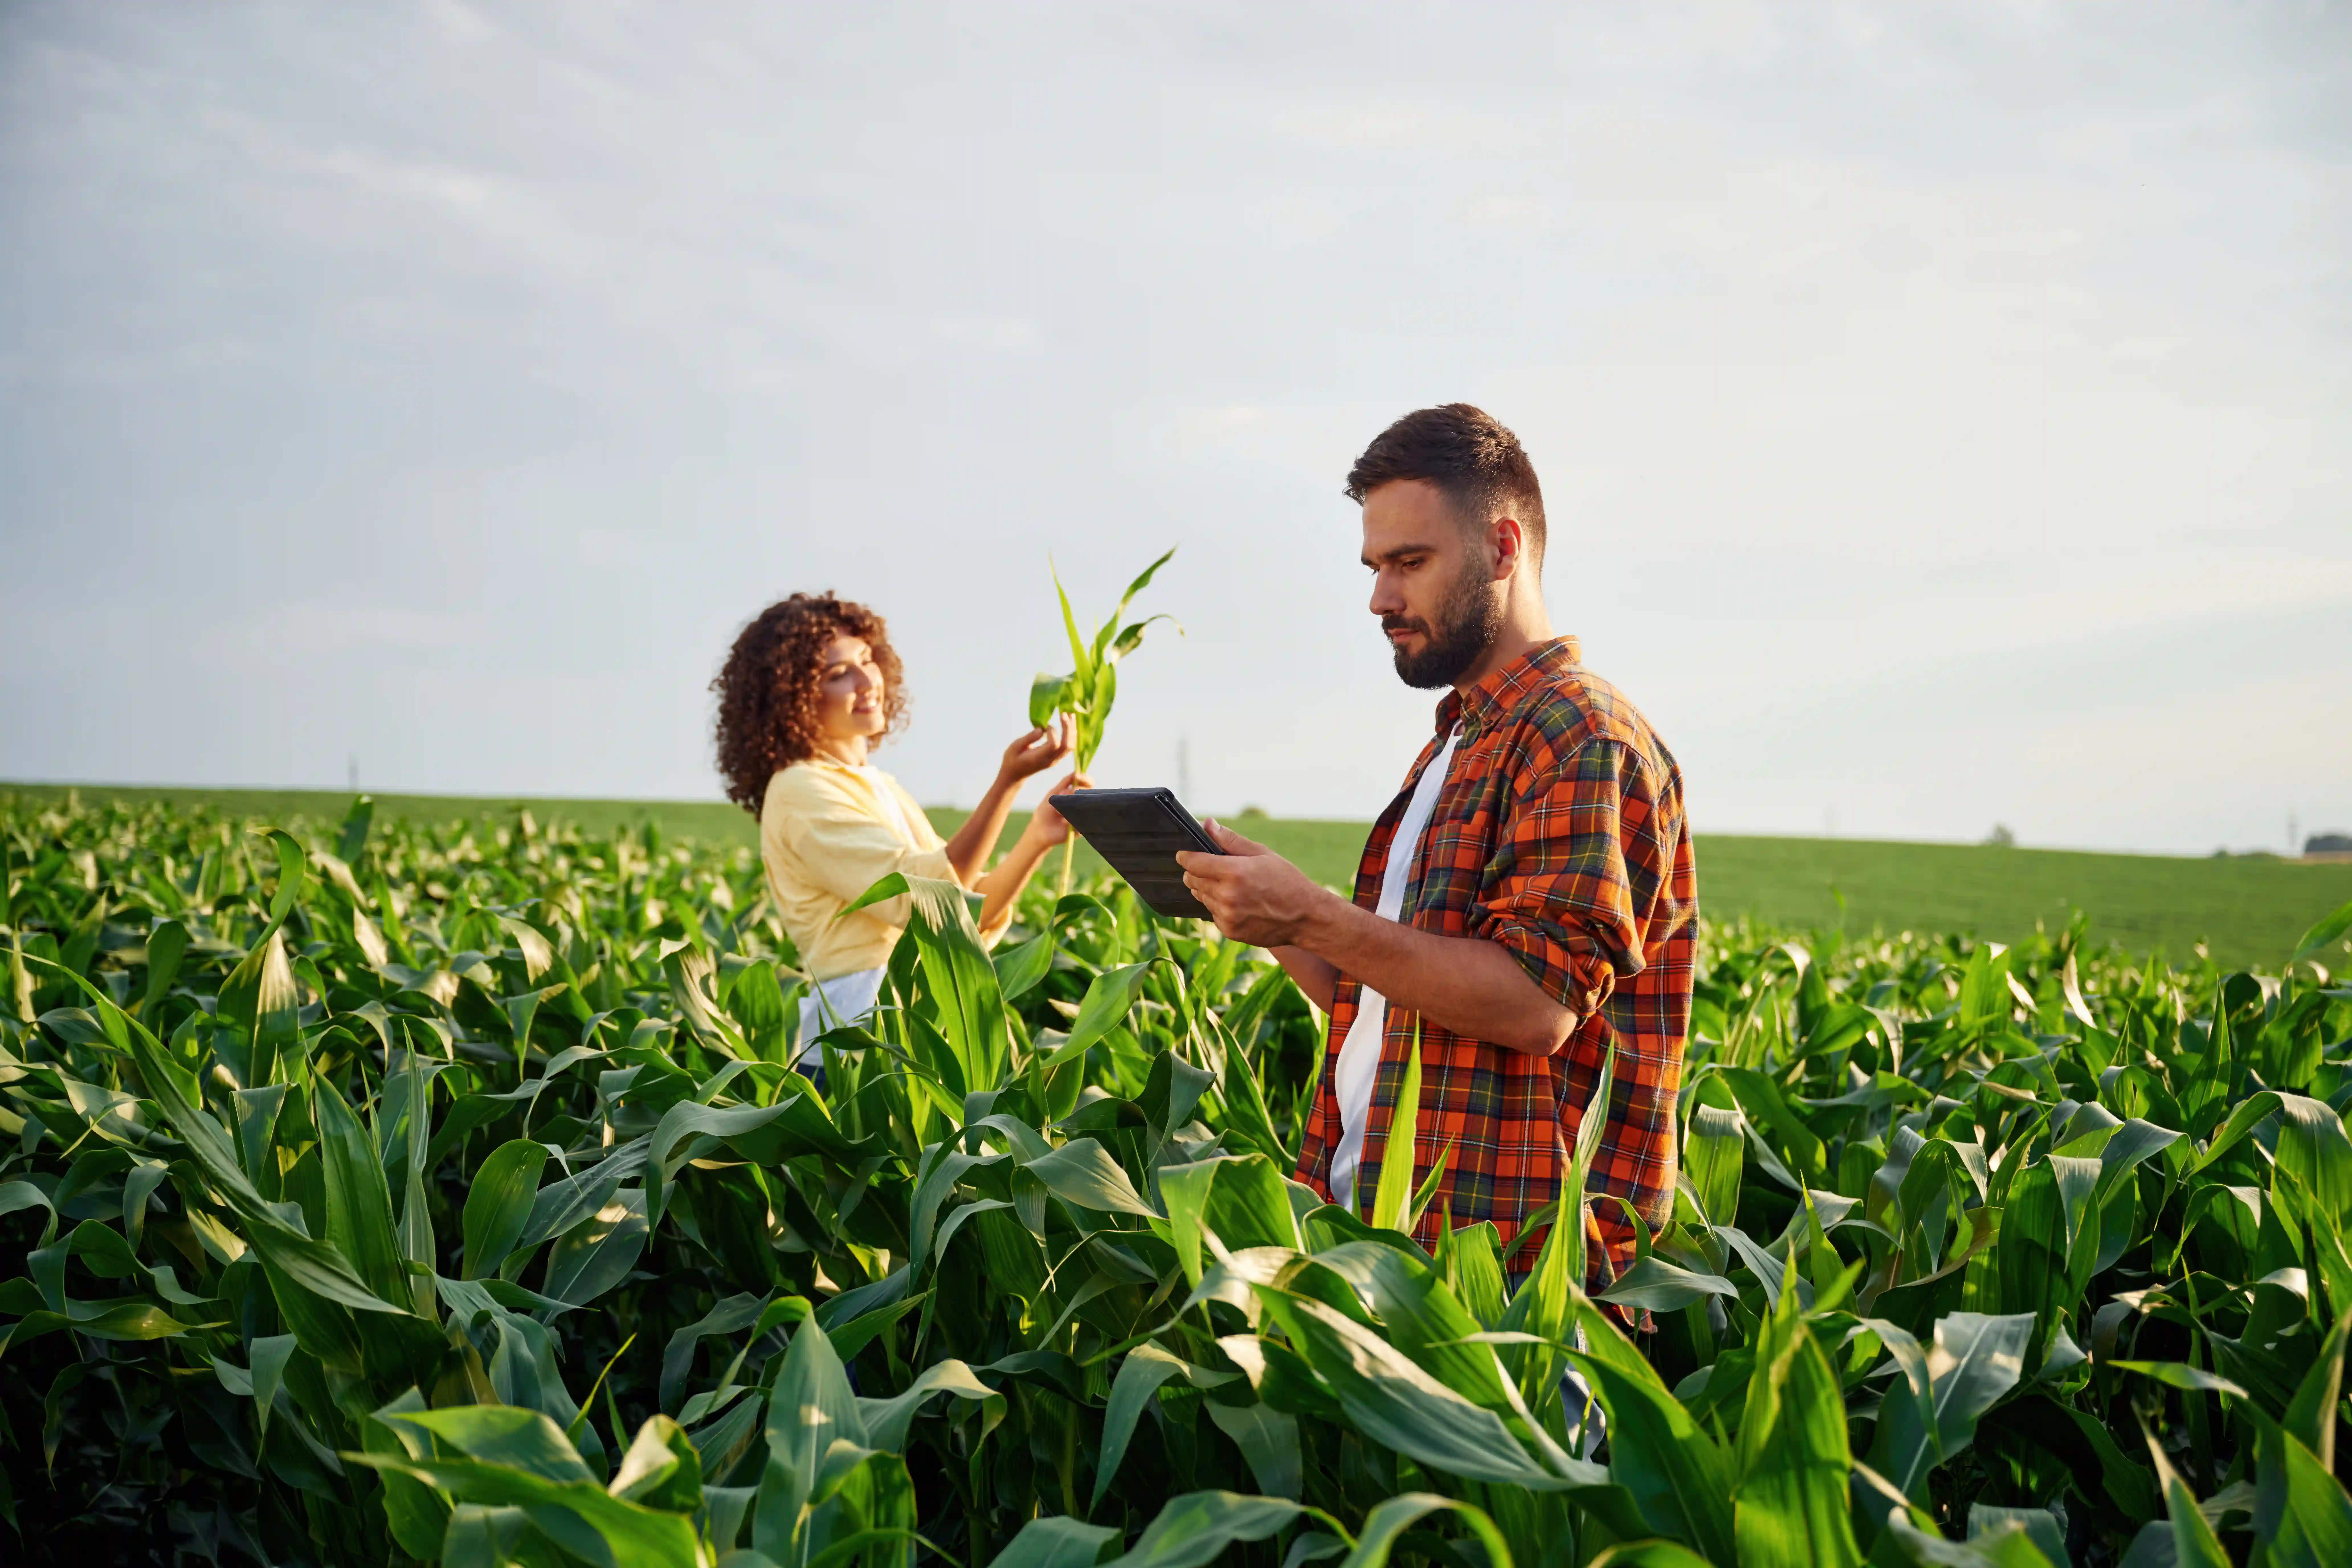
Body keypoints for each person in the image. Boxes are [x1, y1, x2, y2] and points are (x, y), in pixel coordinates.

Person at [1175, 404, 1695, 1290]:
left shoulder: (1580, 737)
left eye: (1409, 563)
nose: (1380, 597)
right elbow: (1387, 989)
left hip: (1512, 1290)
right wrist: (1273, 913)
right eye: (1376, 567)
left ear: (1503, 546)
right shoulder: (1457, 743)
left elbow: (1536, 1006)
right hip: (1384, 1246)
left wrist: (1316, 913)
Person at [712, 591, 1087, 1067]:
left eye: (867, 660)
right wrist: (1007, 783)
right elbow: (921, 898)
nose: (866, 680)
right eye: (836, 675)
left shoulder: (879, 786)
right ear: (791, 701)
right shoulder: (798, 790)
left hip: (909, 1036)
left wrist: (1036, 838)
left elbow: (961, 917)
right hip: (856, 1049)